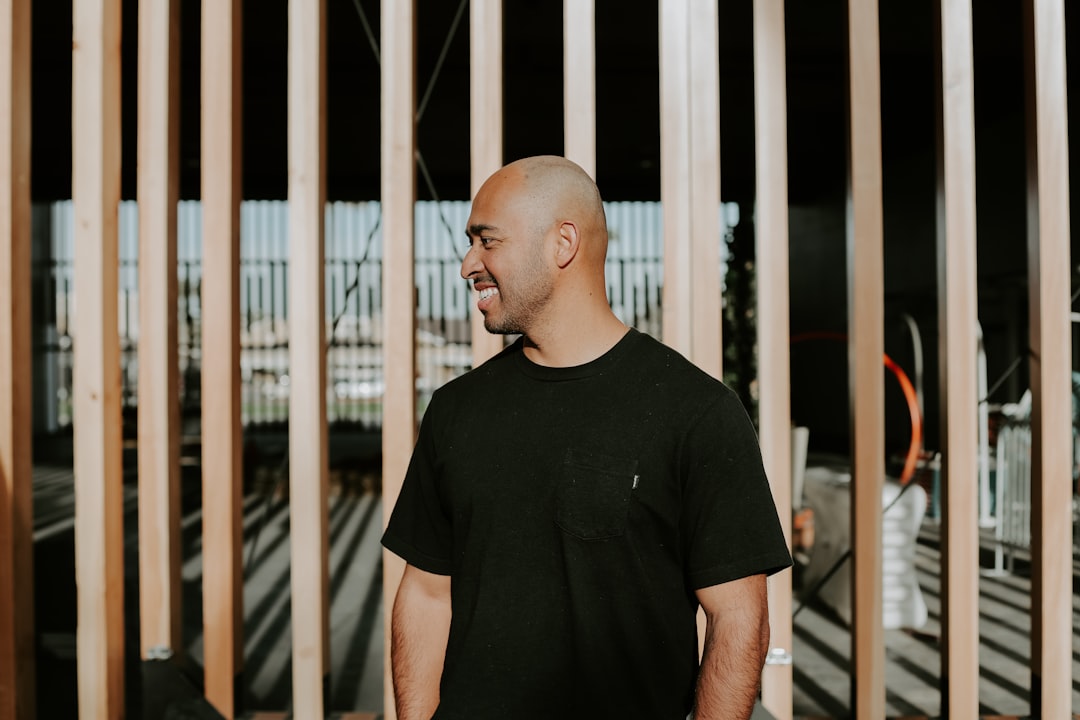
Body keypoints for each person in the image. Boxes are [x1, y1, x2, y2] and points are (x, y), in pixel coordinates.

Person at [381, 155, 792, 720]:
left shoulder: (697, 412)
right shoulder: (456, 410)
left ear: (563, 243)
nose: (467, 263)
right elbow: (426, 594)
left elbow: (739, 619)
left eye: (487, 240)